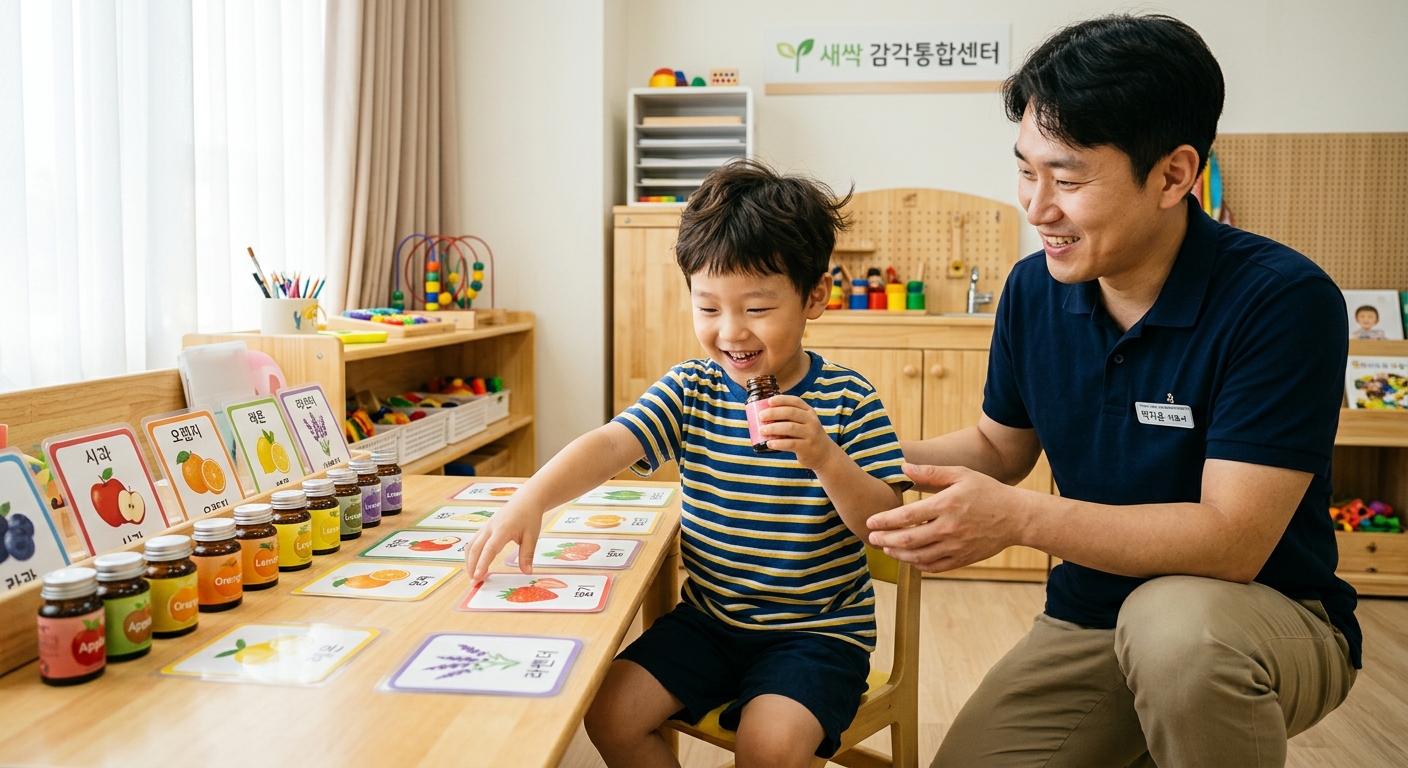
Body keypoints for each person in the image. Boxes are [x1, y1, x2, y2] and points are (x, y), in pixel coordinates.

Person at [864, 15, 1360, 768]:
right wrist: (856, 453)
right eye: (1026, 171)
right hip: (1092, 616)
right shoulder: (1034, 289)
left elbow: (1232, 541)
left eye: (1066, 179)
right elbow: (1001, 447)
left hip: (1261, 615)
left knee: (1175, 631)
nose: (1036, 208)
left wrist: (1020, 519)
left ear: (1173, 174)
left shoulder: (1282, 301)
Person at [464, 160, 910, 768]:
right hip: (710, 621)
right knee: (608, 712)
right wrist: (530, 498)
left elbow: (885, 521)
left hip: (816, 636)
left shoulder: (848, 399)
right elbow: (612, 444)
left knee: (769, 747)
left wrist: (825, 457)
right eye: (708, 308)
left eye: (756, 308)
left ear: (814, 298)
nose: (731, 332)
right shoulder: (691, 388)